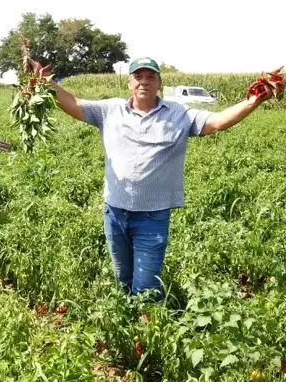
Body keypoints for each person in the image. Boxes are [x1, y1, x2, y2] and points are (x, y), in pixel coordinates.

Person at [39, 57, 268, 299]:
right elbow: (73, 102)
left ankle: (149, 329)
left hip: (152, 216)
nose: (144, 82)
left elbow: (217, 122)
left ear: (159, 83)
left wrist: (252, 101)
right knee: (123, 280)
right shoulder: (109, 110)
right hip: (114, 213)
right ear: (129, 83)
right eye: (138, 77)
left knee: (146, 289)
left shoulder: (179, 114)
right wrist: (44, 82)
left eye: (150, 77)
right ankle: (128, 328)